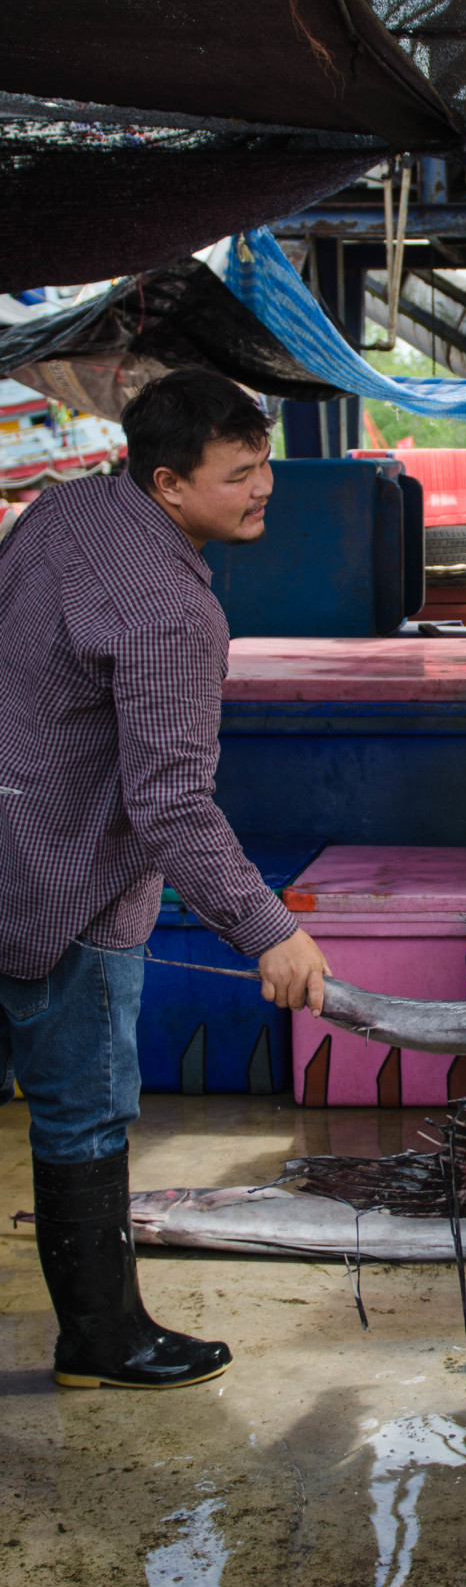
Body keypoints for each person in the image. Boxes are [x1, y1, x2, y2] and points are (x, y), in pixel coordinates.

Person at [0, 368, 329, 1391]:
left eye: (263, 460)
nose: (264, 485)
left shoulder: (65, 510)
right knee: (83, 1114)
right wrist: (267, 926)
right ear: (170, 482)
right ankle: (103, 1338)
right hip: (70, 883)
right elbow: (170, 806)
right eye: (239, 473)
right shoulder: (172, 612)